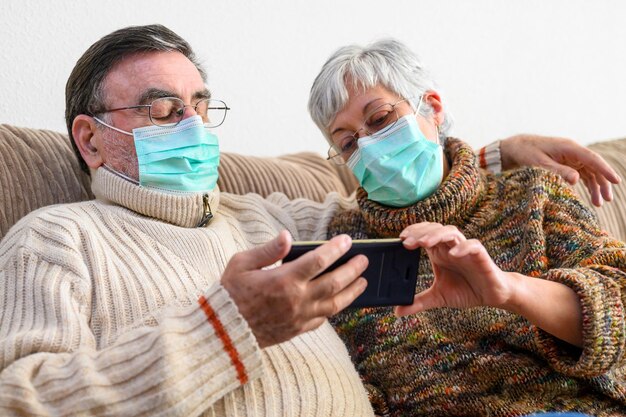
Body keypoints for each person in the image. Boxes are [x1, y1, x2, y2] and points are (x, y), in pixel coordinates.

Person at [0, 24, 618, 416]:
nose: (192, 128)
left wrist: (492, 154)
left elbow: (399, 202)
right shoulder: (55, 237)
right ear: (90, 138)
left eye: (200, 107)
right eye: (163, 112)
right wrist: (223, 329)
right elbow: (18, 400)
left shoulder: (262, 218)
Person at [308, 38, 626, 416]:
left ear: (432, 108)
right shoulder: (342, 244)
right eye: (348, 143)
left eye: (380, 120)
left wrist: (510, 290)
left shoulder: (530, 195)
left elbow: (618, 309)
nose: (370, 147)